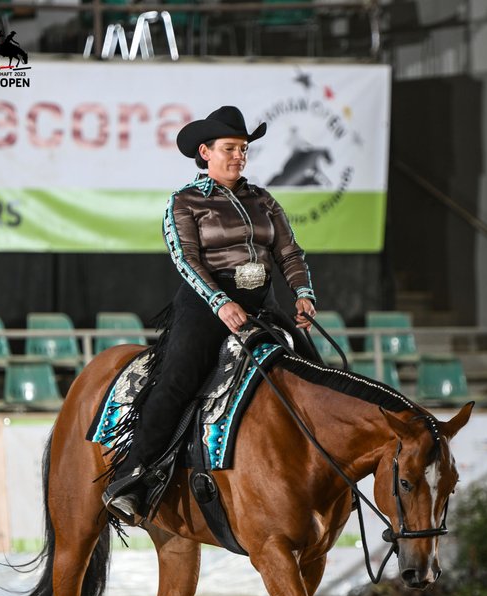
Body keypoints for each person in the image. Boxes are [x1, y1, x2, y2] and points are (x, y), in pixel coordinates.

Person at [102, 105, 324, 524]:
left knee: (313, 370)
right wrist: (221, 302)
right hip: (206, 305)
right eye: (230, 148)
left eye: (243, 148)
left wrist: (303, 293)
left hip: (263, 305)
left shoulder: (263, 199)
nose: (239, 155)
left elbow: (288, 251)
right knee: (178, 378)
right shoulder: (184, 201)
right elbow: (185, 259)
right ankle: (135, 475)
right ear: (205, 152)